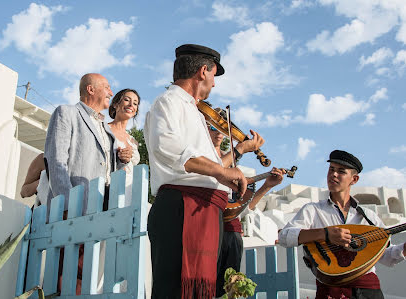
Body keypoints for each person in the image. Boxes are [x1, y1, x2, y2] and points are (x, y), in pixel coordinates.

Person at [144, 44, 251, 298]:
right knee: (175, 290)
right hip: (182, 207)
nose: (214, 84)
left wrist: (223, 175)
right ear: (203, 71)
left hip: (202, 211)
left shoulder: (194, 110)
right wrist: (221, 172)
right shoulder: (168, 101)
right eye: (214, 76)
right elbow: (165, 147)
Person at [278, 150, 406, 299]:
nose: (333, 174)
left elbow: (386, 256)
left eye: (341, 171)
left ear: (354, 179)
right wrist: (325, 234)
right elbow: (284, 237)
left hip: (368, 291)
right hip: (330, 290)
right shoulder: (313, 210)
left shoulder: (368, 217)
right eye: (331, 169)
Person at [44, 73, 124, 295]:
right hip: (73, 210)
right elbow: (56, 160)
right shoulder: (66, 113)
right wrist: (69, 206)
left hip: (100, 211)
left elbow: (104, 166)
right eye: (107, 87)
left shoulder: (107, 129)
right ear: (91, 89)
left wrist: (120, 159)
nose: (110, 92)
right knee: (62, 274)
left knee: (84, 275)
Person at [207, 124, 286, 297]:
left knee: (228, 289)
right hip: (208, 231)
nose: (219, 133)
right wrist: (241, 148)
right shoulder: (205, 162)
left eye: (220, 129)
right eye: (212, 128)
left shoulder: (233, 167)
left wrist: (266, 186)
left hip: (232, 233)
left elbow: (244, 208)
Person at [108, 88, 141, 206]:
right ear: (116, 104)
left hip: (130, 191)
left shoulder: (133, 141)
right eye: (127, 100)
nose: (131, 105)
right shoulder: (103, 129)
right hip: (109, 191)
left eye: (135, 103)